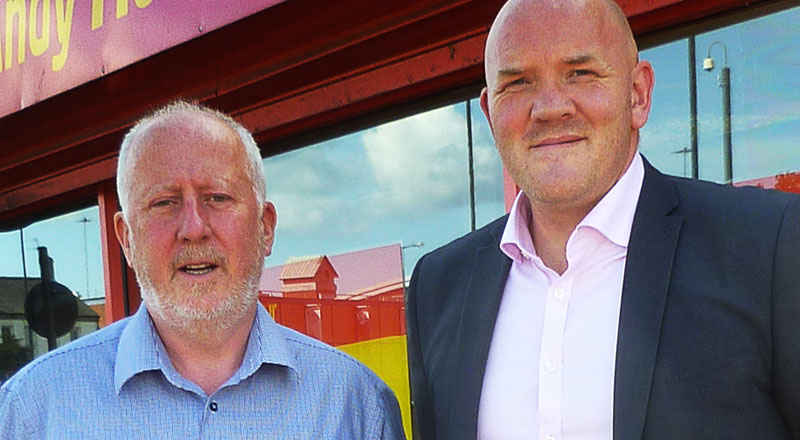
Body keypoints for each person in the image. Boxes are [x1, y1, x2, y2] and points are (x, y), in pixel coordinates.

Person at [405, 0, 800, 439]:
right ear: (489, 114)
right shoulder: (437, 289)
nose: (550, 107)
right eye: (517, 83)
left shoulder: (768, 247)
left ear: (638, 95)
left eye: (581, 73)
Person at [0, 102, 405, 439]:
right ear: (126, 238)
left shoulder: (356, 404)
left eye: (217, 197)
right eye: (164, 202)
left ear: (265, 228)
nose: (193, 228)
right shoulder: (34, 409)